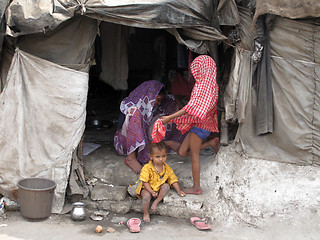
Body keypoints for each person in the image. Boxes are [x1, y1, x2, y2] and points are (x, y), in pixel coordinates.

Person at [161, 55, 219, 195]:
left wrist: (169, 118)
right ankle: (211, 143)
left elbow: (190, 108)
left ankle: (196, 188)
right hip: (204, 124)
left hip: (200, 126)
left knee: (194, 156)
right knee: (182, 152)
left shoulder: (201, 86)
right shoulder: (212, 85)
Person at [114, 80, 185, 174]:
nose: (159, 103)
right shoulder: (130, 105)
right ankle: (131, 158)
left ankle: (165, 143)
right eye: (158, 100)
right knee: (135, 113)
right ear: (150, 96)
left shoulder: (151, 106)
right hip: (124, 145)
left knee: (169, 109)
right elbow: (119, 131)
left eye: (160, 100)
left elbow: (175, 100)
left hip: (146, 141)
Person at [135, 141, 185, 223]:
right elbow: (144, 182)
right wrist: (151, 191)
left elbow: (173, 179)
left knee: (166, 186)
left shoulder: (167, 168)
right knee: (146, 196)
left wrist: (179, 191)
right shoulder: (147, 168)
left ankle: (156, 202)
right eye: (157, 157)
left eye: (163, 156)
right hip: (147, 189)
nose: (161, 159)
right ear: (151, 156)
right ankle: (146, 213)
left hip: (158, 189)